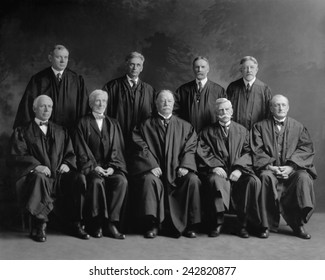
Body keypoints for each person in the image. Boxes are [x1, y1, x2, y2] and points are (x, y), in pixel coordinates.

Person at [8, 95, 89, 242]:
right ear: (34, 108)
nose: (47, 109)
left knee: (79, 178)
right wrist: (37, 166)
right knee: (39, 178)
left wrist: (67, 163)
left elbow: (70, 153)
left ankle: (76, 223)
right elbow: (17, 155)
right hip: (36, 177)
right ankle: (40, 224)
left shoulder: (61, 131)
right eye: (42, 106)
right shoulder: (22, 131)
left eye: (50, 106)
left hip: (58, 175)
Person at [130, 89, 201, 238]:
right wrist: (151, 165)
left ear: (174, 103)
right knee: (148, 180)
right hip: (156, 172)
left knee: (193, 180)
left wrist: (185, 165)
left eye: (169, 100)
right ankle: (153, 224)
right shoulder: (144, 126)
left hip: (177, 172)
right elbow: (139, 147)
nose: (166, 103)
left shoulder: (185, 126)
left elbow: (191, 148)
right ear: (156, 104)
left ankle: (189, 225)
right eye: (162, 100)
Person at [197, 98, 268, 238]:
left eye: (227, 109)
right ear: (216, 113)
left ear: (232, 111)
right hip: (219, 172)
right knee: (214, 181)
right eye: (220, 110)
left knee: (253, 182)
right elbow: (203, 152)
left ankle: (243, 224)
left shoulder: (242, 130)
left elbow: (248, 152)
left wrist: (239, 169)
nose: (224, 112)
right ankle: (218, 222)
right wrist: (214, 167)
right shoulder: (207, 131)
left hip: (239, 172)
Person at [251, 94, 317, 239]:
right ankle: (265, 225)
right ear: (270, 108)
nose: (280, 108)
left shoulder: (298, 127)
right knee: (264, 177)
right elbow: (257, 150)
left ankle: (297, 224)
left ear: (288, 108)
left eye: (283, 105)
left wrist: (291, 167)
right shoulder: (259, 127)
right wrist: (270, 167)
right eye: (276, 105)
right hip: (270, 169)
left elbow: (306, 149)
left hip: (292, 169)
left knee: (303, 177)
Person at [73, 90, 128, 239]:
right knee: (96, 181)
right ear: (91, 103)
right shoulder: (82, 122)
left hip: (110, 166)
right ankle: (97, 223)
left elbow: (118, 148)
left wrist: (112, 167)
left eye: (104, 101)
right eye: (97, 101)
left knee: (121, 181)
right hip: (91, 167)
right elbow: (80, 149)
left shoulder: (113, 123)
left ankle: (111, 223)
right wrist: (94, 167)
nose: (101, 104)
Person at [13, 44, 88, 132]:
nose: (62, 61)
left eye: (65, 57)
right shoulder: (38, 79)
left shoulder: (77, 80)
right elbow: (27, 107)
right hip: (43, 132)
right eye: (58, 57)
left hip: (70, 133)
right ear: (50, 58)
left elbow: (84, 109)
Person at [102, 51, 155, 156]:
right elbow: (103, 115)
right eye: (132, 64)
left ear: (142, 68)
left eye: (138, 65)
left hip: (141, 141)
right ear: (126, 65)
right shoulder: (112, 87)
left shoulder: (149, 90)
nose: (135, 68)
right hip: (117, 138)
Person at [174, 56, 226, 133]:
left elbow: (225, 114)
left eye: (203, 67)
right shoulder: (183, 90)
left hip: (211, 135)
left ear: (208, 69)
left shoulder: (218, 90)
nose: (199, 70)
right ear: (193, 69)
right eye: (197, 67)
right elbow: (174, 112)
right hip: (187, 134)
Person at [226, 56, 272, 130]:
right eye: (245, 68)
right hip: (236, 131)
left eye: (252, 67)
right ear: (241, 70)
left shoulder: (264, 89)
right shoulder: (233, 87)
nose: (249, 70)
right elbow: (226, 110)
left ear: (256, 70)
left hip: (257, 132)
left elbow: (269, 114)